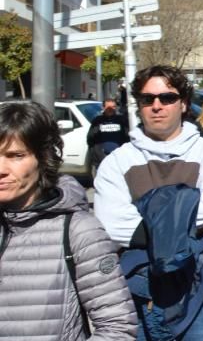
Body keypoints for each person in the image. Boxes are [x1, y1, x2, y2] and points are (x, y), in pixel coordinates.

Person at [94, 64, 203, 340]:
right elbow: (112, 224)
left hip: (198, 288)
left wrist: (147, 213)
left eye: (167, 98)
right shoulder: (117, 162)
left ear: (183, 103)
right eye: (148, 99)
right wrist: (180, 209)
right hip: (136, 291)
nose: (157, 105)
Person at [0, 101, 137, 340]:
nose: (1, 168)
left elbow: (117, 328)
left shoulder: (79, 231)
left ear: (43, 158)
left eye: (16, 156)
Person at [86, 97, 130, 170]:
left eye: (113, 107)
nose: (111, 110)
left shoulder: (122, 120)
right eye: (108, 107)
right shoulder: (97, 121)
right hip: (101, 160)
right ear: (103, 107)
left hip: (119, 160)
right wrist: (97, 155)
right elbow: (90, 139)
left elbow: (128, 138)